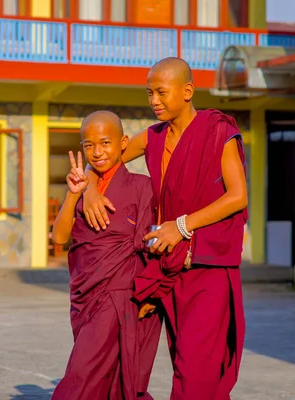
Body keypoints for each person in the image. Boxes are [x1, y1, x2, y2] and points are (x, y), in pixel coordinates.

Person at [82, 57, 249, 399]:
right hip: (169, 265)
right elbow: (103, 158)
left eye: (161, 92)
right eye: (149, 93)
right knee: (184, 361)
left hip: (208, 266)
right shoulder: (153, 137)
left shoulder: (218, 131)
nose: (153, 101)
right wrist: (87, 190)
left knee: (195, 369)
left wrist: (182, 226)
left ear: (187, 91)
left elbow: (238, 196)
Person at [51, 110, 162, 400]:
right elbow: (60, 237)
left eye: (105, 143)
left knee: (82, 375)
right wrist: (75, 193)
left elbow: (151, 243)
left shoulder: (142, 186)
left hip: (121, 295)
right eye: (89, 145)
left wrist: (151, 293)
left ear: (123, 142)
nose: (97, 152)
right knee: (102, 378)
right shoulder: (82, 186)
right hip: (86, 295)